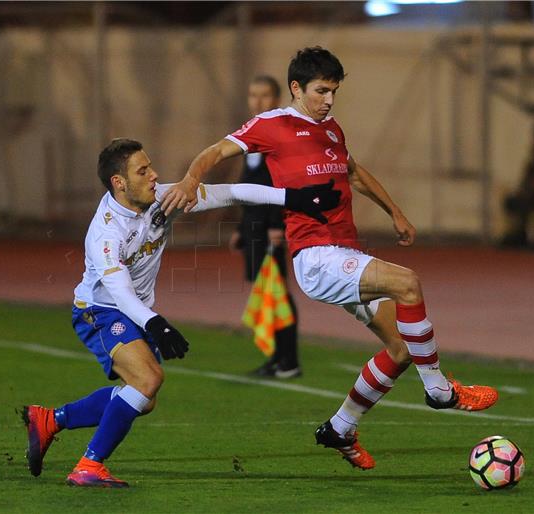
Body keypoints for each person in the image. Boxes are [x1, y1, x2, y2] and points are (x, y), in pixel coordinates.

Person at [161, 47, 499, 471]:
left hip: (345, 252)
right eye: (321, 91)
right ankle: (439, 390)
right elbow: (214, 151)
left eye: (334, 92)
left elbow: (354, 173)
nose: (328, 100)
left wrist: (394, 212)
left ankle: (340, 427)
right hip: (317, 256)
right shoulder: (273, 124)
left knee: (400, 349)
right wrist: (192, 179)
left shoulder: (333, 129)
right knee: (409, 283)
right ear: (297, 88)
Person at [22, 138, 339, 487]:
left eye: (151, 165)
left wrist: (293, 198)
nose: (154, 175)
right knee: (147, 381)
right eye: (143, 171)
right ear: (119, 183)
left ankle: (51, 419)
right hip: (99, 311)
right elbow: (120, 293)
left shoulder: (164, 197)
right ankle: (88, 466)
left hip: (135, 310)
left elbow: (231, 192)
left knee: (143, 398)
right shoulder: (105, 234)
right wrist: (157, 324)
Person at [229, 75, 301, 378]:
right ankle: (275, 358)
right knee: (267, 293)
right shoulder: (252, 135)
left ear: (277, 99)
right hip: (253, 227)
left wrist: (277, 225)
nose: (257, 101)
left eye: (264, 95)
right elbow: (250, 187)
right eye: (252, 95)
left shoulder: (279, 136)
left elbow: (282, 183)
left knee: (278, 293)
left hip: (270, 228)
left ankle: (288, 360)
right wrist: (241, 227)